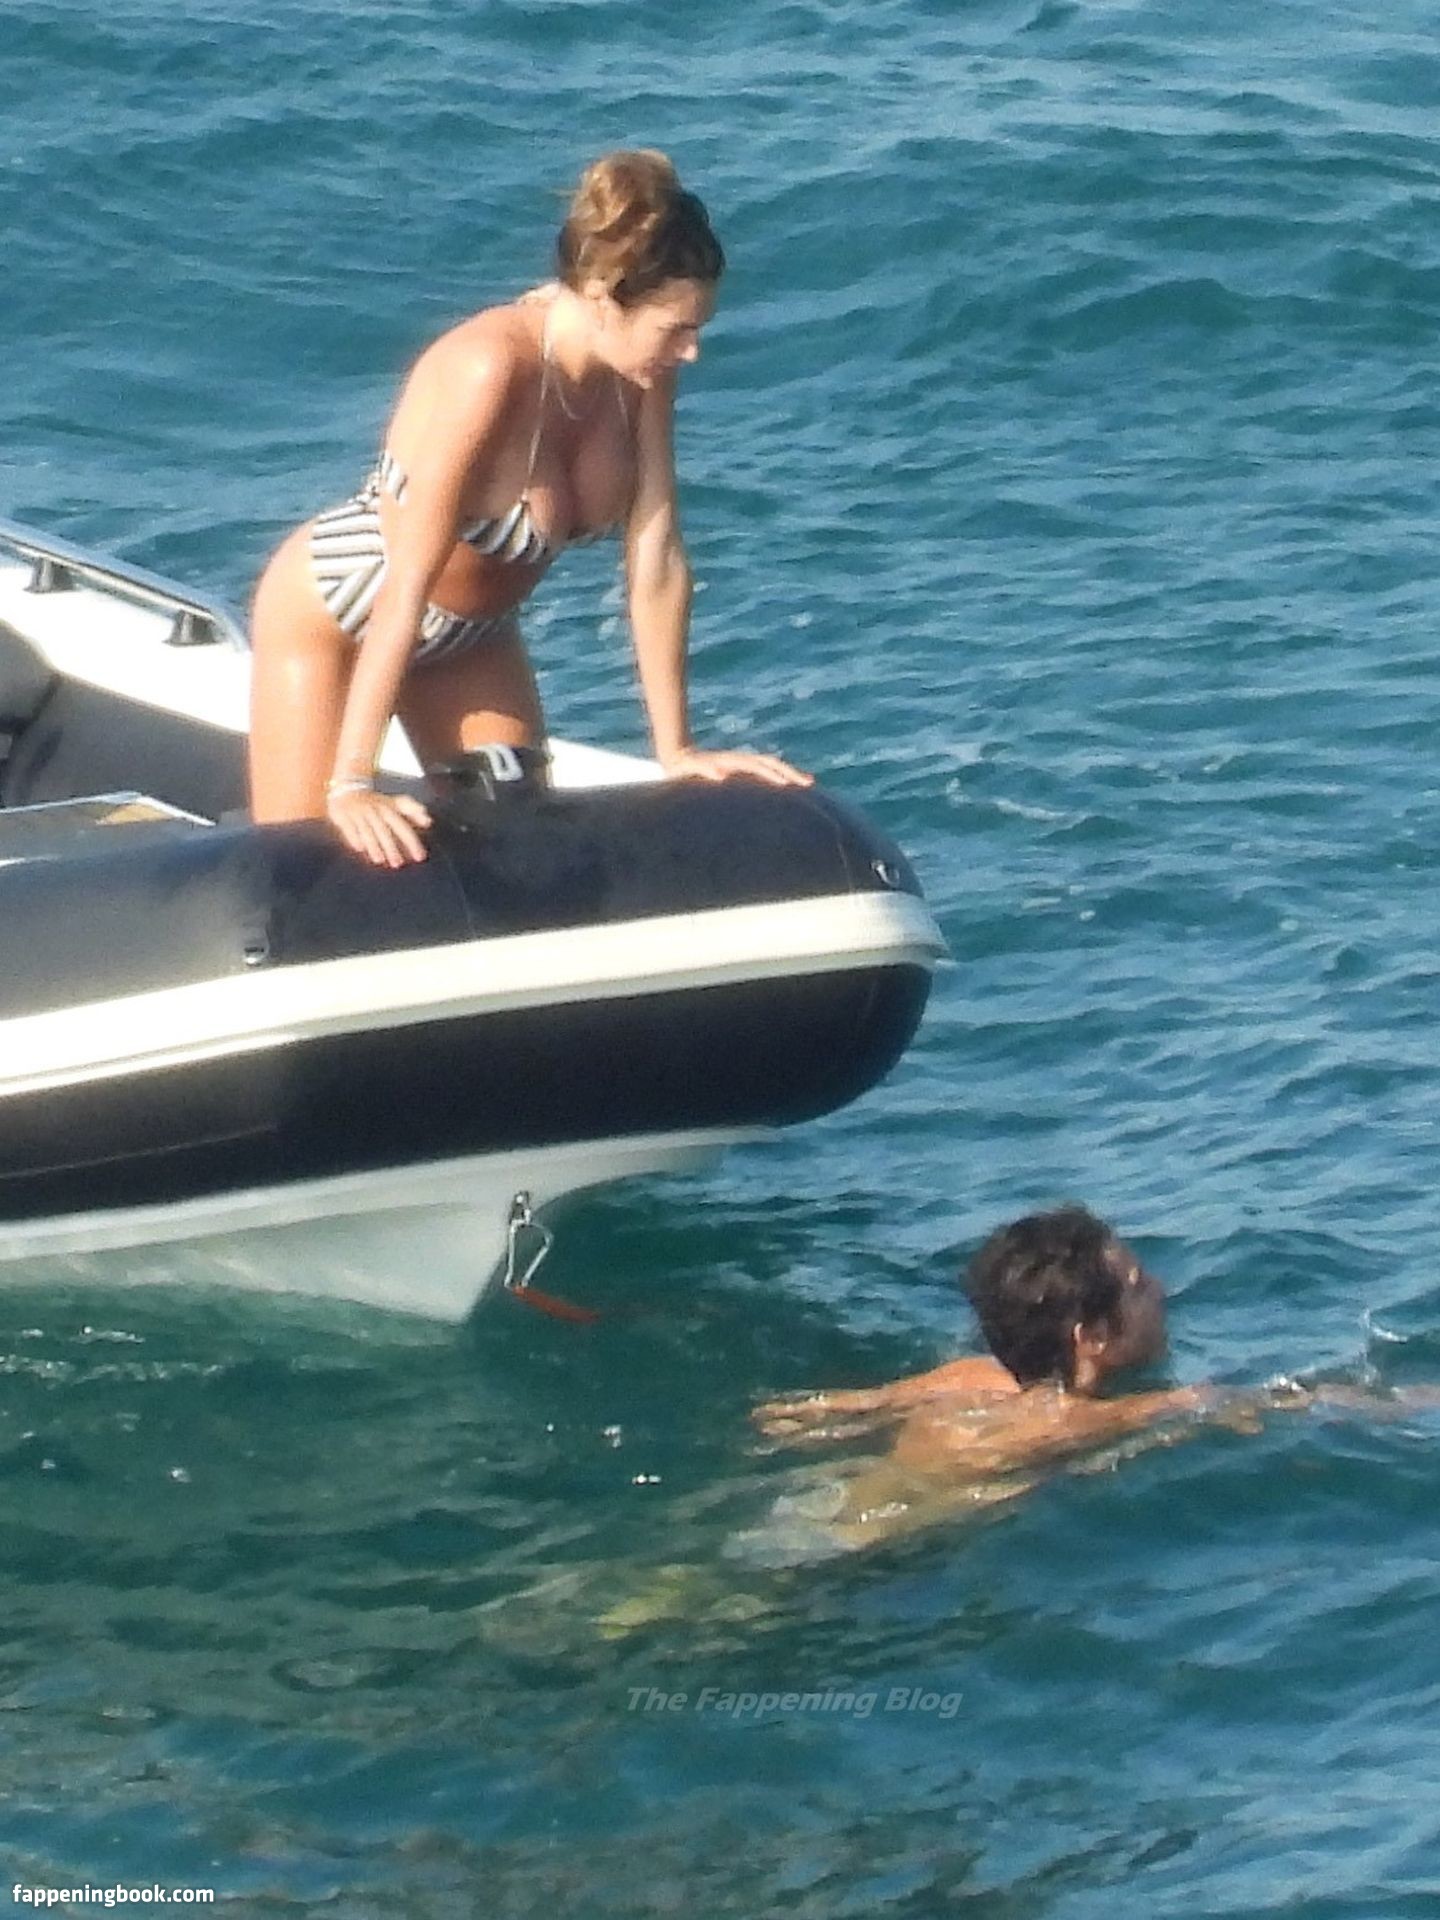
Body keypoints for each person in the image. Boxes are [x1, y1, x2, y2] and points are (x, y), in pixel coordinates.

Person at [248, 149, 812, 868]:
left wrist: (676, 750)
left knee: (518, 847)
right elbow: (407, 584)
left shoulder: (641, 374)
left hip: (469, 639)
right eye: (676, 330)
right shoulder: (488, 369)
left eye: (697, 328)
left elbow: (657, 555)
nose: (691, 351)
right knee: (308, 868)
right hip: (345, 610)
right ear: (604, 300)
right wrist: (352, 782)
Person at [744, 1205, 1438, 1558]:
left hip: (807, 1513)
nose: (1160, 1289)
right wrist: (1416, 1400)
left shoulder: (971, 1379)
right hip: (858, 1557)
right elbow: (1265, 1403)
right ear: (1093, 1337)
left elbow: (799, 1415)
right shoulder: (1081, 1421)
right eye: (1137, 1285)